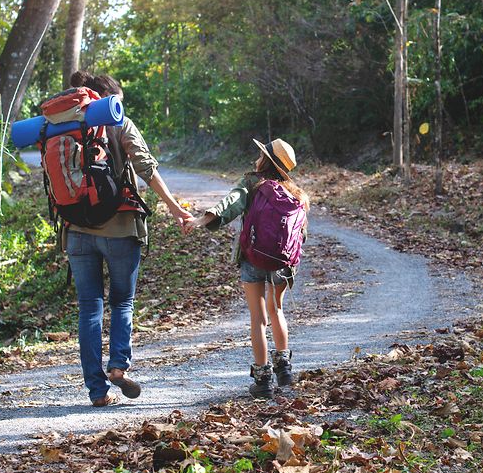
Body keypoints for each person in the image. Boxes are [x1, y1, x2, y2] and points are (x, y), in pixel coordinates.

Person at [64, 71, 192, 407]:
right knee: (122, 302)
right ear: (108, 99)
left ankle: (96, 391)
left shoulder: (62, 126)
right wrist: (176, 209)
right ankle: (118, 366)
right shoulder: (119, 122)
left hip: (77, 231)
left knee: (89, 308)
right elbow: (147, 168)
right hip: (120, 229)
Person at [184, 139, 309, 399]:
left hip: (252, 258)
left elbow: (229, 205)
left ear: (265, 160)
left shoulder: (252, 183)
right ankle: (284, 367)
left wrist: (200, 220)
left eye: (260, 154)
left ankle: (263, 380)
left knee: (258, 318)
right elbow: (301, 234)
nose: (256, 158)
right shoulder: (297, 194)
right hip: (283, 263)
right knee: (277, 311)